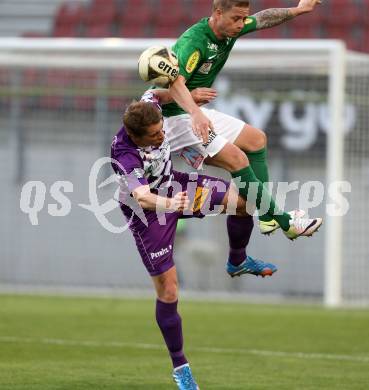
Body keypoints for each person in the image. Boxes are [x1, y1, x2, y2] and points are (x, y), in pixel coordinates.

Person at [111, 91, 277, 389]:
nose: (163, 136)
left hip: (176, 186)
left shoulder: (148, 107)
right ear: (136, 137)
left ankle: (237, 260)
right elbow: (142, 196)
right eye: (154, 134)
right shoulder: (124, 155)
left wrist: (190, 96)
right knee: (169, 291)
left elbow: (160, 92)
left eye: (162, 128)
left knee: (245, 201)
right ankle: (181, 367)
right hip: (148, 214)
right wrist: (168, 205)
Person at [162, 0, 322, 240]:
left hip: (193, 112)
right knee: (238, 159)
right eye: (236, 18)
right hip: (176, 118)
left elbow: (263, 18)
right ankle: (286, 223)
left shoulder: (229, 29)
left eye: (243, 18)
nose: (241, 24)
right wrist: (195, 112)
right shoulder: (194, 43)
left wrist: (298, 10)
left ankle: (266, 218)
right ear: (217, 13)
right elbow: (173, 84)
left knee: (256, 140)